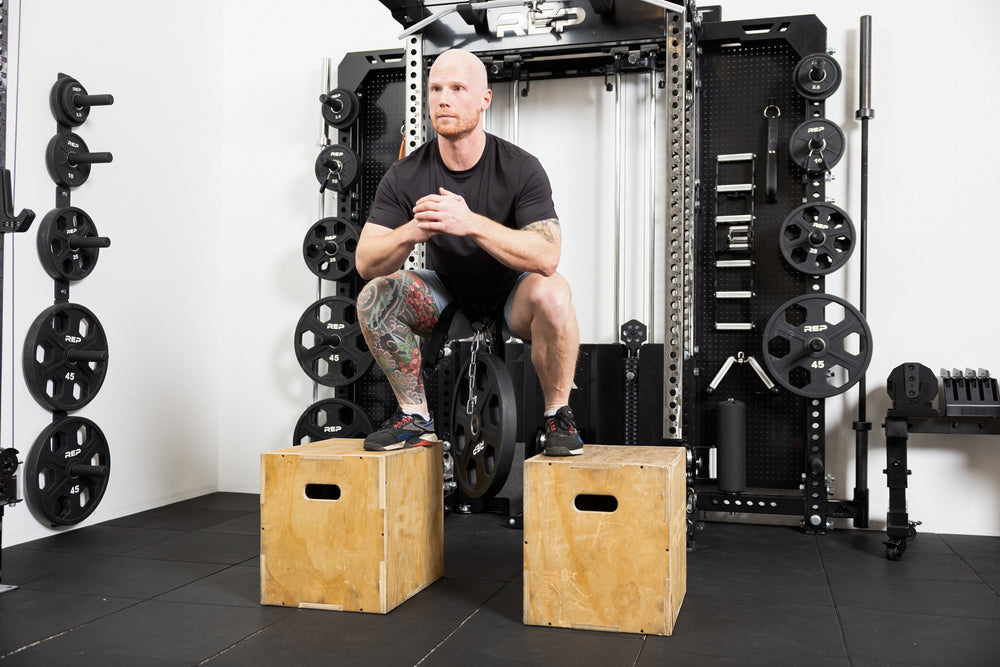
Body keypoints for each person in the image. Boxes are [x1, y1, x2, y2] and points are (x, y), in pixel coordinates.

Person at [355, 48, 583, 457]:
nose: (444, 98)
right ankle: (415, 419)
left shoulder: (520, 167)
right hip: (447, 294)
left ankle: (558, 416)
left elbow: (548, 256)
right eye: (436, 89)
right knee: (375, 296)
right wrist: (411, 231)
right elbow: (366, 262)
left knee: (554, 291)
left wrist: (471, 222)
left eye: (458, 88)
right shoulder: (405, 175)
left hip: (512, 294)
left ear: (484, 99)